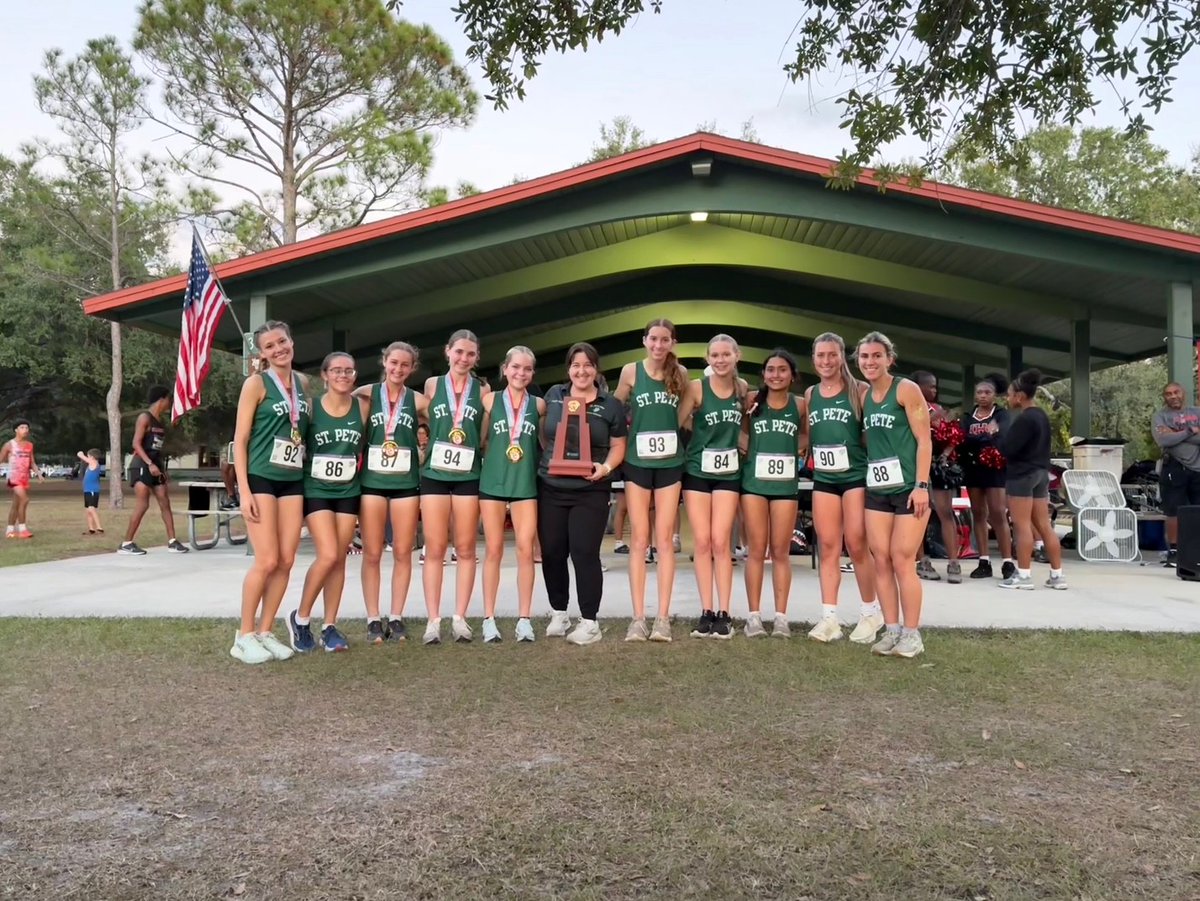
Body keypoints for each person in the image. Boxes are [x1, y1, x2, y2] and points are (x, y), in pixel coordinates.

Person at [230, 320, 309, 665]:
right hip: (261, 477)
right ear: (261, 353)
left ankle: (264, 630)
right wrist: (244, 491)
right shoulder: (256, 383)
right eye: (270, 346)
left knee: (287, 560)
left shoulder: (304, 384)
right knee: (267, 559)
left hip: (292, 477)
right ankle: (243, 635)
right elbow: (241, 439)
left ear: (292, 341)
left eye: (282, 341)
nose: (278, 349)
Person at [539, 342, 627, 644]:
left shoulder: (611, 404)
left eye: (588, 365)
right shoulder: (554, 396)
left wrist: (605, 468)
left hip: (590, 489)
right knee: (551, 552)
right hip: (550, 487)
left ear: (596, 369)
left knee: (583, 553)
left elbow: (618, 446)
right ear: (568, 370)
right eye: (576, 365)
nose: (581, 370)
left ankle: (589, 621)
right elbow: (543, 430)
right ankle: (559, 612)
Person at [804, 333, 882, 644]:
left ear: (841, 357)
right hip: (824, 477)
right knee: (828, 547)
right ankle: (829, 618)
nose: (826, 361)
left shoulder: (859, 390)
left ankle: (869, 612)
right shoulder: (811, 393)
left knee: (858, 544)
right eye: (820, 355)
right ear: (814, 359)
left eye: (832, 355)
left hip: (854, 476)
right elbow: (810, 433)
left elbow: (870, 433)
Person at [614, 318, 689, 642]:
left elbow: (685, 413)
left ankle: (662, 618)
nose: (658, 345)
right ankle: (638, 618)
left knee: (664, 541)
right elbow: (614, 410)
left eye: (665, 340)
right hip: (637, 462)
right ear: (644, 340)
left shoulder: (681, 374)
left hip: (670, 463)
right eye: (653, 339)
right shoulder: (631, 372)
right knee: (640, 541)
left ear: (672, 343)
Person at [858, 332, 931, 659]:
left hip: (908, 489)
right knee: (881, 560)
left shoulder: (906, 389)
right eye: (864, 357)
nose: (870, 362)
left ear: (890, 359)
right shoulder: (863, 397)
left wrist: (921, 485)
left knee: (903, 559)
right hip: (878, 490)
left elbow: (924, 440)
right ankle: (891, 630)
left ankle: (912, 634)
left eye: (876, 356)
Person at [287, 353, 365, 653]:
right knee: (329, 554)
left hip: (348, 490)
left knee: (340, 558)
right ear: (325, 375)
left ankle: (330, 626)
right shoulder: (311, 408)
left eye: (348, 370)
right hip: (316, 488)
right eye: (337, 370)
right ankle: (301, 618)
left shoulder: (362, 407)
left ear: (355, 376)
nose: (343, 375)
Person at [354, 341, 428, 643]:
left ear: (412, 369)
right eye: (393, 363)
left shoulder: (419, 400)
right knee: (371, 553)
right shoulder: (366, 395)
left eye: (405, 365)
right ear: (384, 362)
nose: (398, 369)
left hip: (406, 485)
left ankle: (396, 616)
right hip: (371, 482)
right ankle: (373, 618)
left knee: (401, 552)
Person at [677, 335, 747, 640]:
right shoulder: (696, 387)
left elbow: (745, 426)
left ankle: (724, 612)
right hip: (697, 470)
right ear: (707, 358)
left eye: (726, 354)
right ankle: (706, 611)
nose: (720, 360)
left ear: (736, 356)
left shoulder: (742, 388)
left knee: (722, 543)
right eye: (715, 355)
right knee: (702, 542)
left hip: (728, 473)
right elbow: (678, 421)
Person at [421, 329, 488, 644]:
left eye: (470, 354)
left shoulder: (483, 389)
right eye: (459, 351)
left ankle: (460, 618)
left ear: (477, 358)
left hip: (468, 475)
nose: (464, 358)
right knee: (434, 549)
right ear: (447, 351)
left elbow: (483, 433)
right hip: (435, 472)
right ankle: (433, 619)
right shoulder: (432, 385)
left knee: (465, 549)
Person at [478, 346, 545, 642]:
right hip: (493, 483)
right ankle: (488, 618)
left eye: (527, 369)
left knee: (525, 550)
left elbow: (545, 442)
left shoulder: (539, 406)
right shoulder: (489, 401)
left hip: (525, 486)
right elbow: (480, 440)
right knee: (493, 550)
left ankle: (524, 619)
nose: (521, 373)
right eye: (516, 367)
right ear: (505, 369)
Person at [740, 349, 806, 639]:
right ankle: (753, 617)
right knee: (756, 550)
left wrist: (795, 448)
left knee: (780, 552)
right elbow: (740, 431)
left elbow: (807, 435)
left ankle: (781, 617)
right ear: (763, 374)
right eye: (770, 370)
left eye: (782, 370)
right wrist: (749, 448)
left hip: (785, 486)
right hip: (754, 483)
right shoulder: (752, 401)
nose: (775, 375)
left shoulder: (801, 404)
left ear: (792, 375)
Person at [999, 369, 1068, 590]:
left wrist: (995, 435)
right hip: (1041, 474)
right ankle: (1057, 576)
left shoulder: (1024, 419)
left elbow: (1008, 449)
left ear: (1019, 396)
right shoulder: (1041, 416)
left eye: (1009, 395)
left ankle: (1024, 575)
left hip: (1021, 475)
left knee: (1021, 526)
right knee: (1044, 525)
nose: (1008, 399)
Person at [116, 387, 188, 556]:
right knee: (143, 503)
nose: (170, 403)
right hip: (141, 465)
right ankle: (126, 543)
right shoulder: (144, 417)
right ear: (161, 399)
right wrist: (149, 464)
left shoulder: (159, 422)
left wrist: (161, 468)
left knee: (165, 501)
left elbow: (157, 448)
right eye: (168, 400)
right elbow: (136, 443)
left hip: (156, 465)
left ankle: (172, 541)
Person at [960, 373, 1015, 579]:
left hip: (995, 469)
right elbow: (963, 440)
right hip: (973, 469)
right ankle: (984, 560)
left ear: (995, 395)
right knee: (978, 513)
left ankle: (1008, 562)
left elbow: (1002, 438)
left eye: (987, 392)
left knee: (998, 513)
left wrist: (977, 439)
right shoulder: (968, 416)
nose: (983, 396)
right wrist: (986, 436)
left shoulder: (1001, 415)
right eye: (979, 392)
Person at [911, 371, 964, 583]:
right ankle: (921, 560)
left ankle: (953, 562)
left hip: (939, 466)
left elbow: (953, 436)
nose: (934, 390)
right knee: (919, 514)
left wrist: (946, 453)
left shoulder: (941, 409)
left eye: (935, 387)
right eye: (929, 386)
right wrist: (931, 419)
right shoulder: (908, 407)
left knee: (945, 512)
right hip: (915, 465)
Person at [1153, 382, 1200, 567]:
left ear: (1183, 393)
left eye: (1176, 392)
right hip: (1173, 468)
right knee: (1173, 511)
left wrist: (1176, 434)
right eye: (1168, 394)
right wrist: (1190, 430)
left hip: (1198, 469)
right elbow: (1163, 439)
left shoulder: (1196, 411)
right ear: (1164, 397)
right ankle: (1174, 551)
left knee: (1197, 510)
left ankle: (1196, 550)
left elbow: (1172, 438)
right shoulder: (1160, 416)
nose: (1173, 396)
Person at [1, 420, 43, 538]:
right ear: (16, 430)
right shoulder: (9, 444)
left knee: (16, 504)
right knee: (25, 500)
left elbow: (32, 462)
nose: (25, 430)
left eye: (27, 428)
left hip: (24, 478)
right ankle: (22, 529)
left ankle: (9, 530)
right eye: (22, 427)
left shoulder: (29, 445)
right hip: (14, 478)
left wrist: (38, 474)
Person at [77, 448, 104, 535]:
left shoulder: (94, 463)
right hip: (87, 490)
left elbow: (80, 455)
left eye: (88, 456)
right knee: (88, 510)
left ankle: (99, 527)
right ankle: (91, 528)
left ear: (92, 457)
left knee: (91, 509)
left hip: (93, 490)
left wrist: (81, 453)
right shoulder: (89, 465)